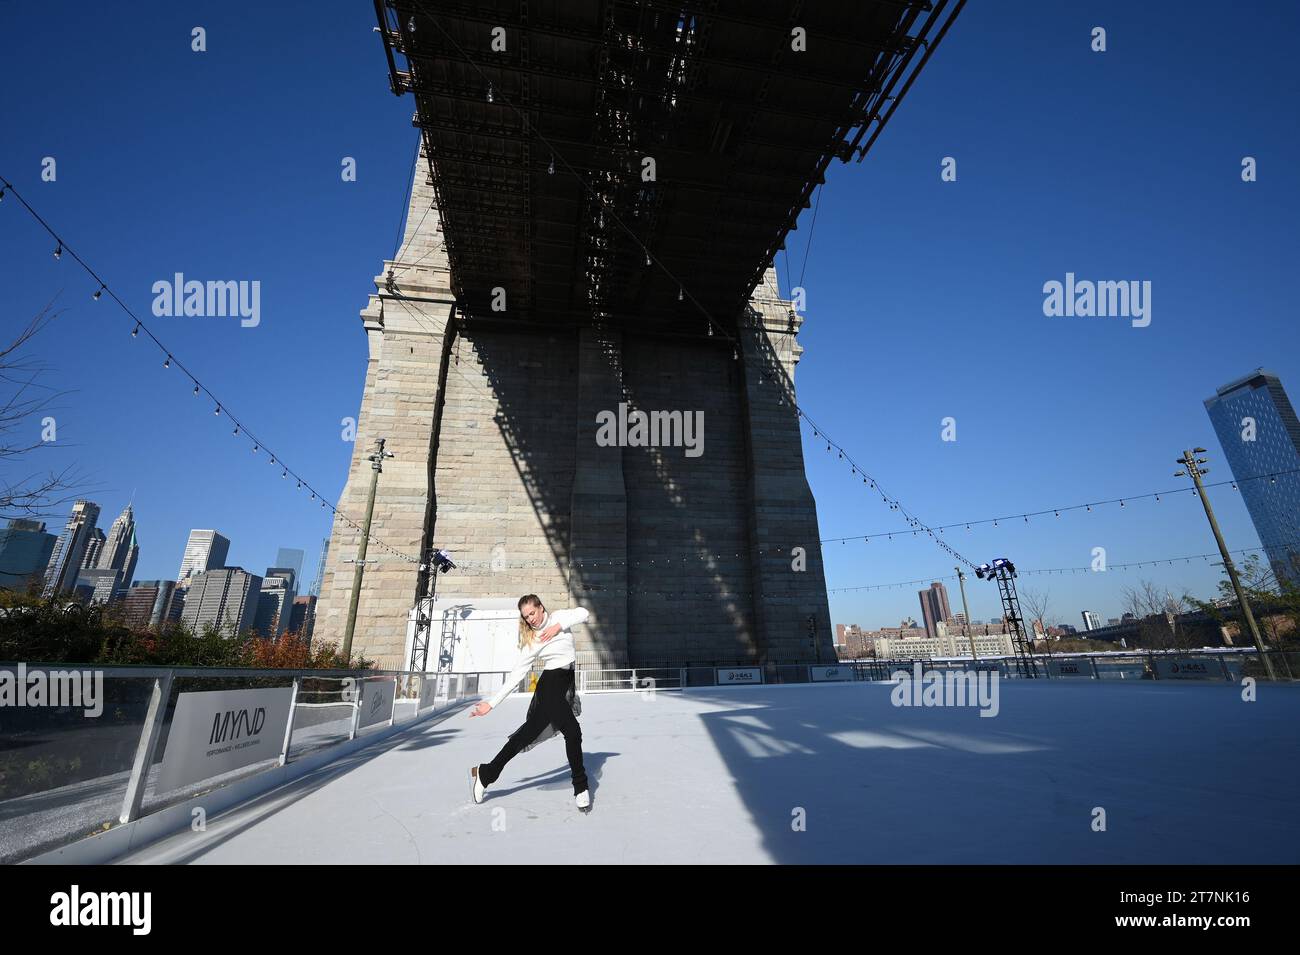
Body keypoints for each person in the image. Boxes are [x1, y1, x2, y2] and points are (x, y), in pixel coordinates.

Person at [469, 594, 591, 811]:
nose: (531, 619)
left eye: (532, 613)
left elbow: (584, 614)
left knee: (526, 735)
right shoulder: (533, 641)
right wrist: (491, 704)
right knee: (573, 732)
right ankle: (580, 787)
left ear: (541, 608)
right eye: (526, 617)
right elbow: (517, 675)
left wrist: (558, 626)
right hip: (550, 686)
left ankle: (486, 773)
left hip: (565, 682)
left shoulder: (560, 618)